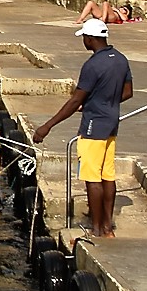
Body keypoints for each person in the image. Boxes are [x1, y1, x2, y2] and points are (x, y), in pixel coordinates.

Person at [34, 19, 133, 237]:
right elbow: (128, 92)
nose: (84, 42)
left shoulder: (92, 65)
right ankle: (108, 226)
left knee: (92, 178)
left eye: (85, 38)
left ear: (90, 38)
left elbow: (74, 101)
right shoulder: (120, 59)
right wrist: (105, 101)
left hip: (93, 126)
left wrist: (46, 126)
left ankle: (96, 228)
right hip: (111, 123)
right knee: (108, 176)